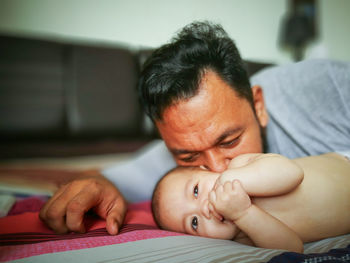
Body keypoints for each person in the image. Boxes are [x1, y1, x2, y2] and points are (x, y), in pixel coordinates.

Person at [39, 21, 350, 235]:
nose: (215, 170)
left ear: (258, 105)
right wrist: (94, 185)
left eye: (229, 141)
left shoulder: (328, 88)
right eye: (188, 157)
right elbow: (103, 182)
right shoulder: (179, 164)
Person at [152, 152, 350, 253]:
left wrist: (231, 181)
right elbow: (293, 248)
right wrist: (243, 214)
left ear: (206, 169)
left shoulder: (240, 165)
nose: (204, 208)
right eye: (194, 222)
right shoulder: (245, 238)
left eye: (196, 190)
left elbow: (292, 173)